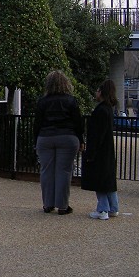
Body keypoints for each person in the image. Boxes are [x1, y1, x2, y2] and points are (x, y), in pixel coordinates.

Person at [33, 70, 84, 214]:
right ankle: (62, 205)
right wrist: (81, 139)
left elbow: (37, 123)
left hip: (45, 136)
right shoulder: (70, 100)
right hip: (67, 136)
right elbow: (78, 122)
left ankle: (48, 204)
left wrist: (35, 140)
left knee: (46, 171)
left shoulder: (43, 101)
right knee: (64, 171)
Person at [81, 79, 119, 220]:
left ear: (101, 92)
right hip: (107, 149)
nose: (96, 93)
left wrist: (91, 152)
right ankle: (113, 207)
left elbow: (97, 135)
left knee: (100, 179)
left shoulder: (100, 110)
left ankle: (103, 209)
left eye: (97, 91)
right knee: (108, 178)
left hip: (100, 150)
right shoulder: (108, 109)